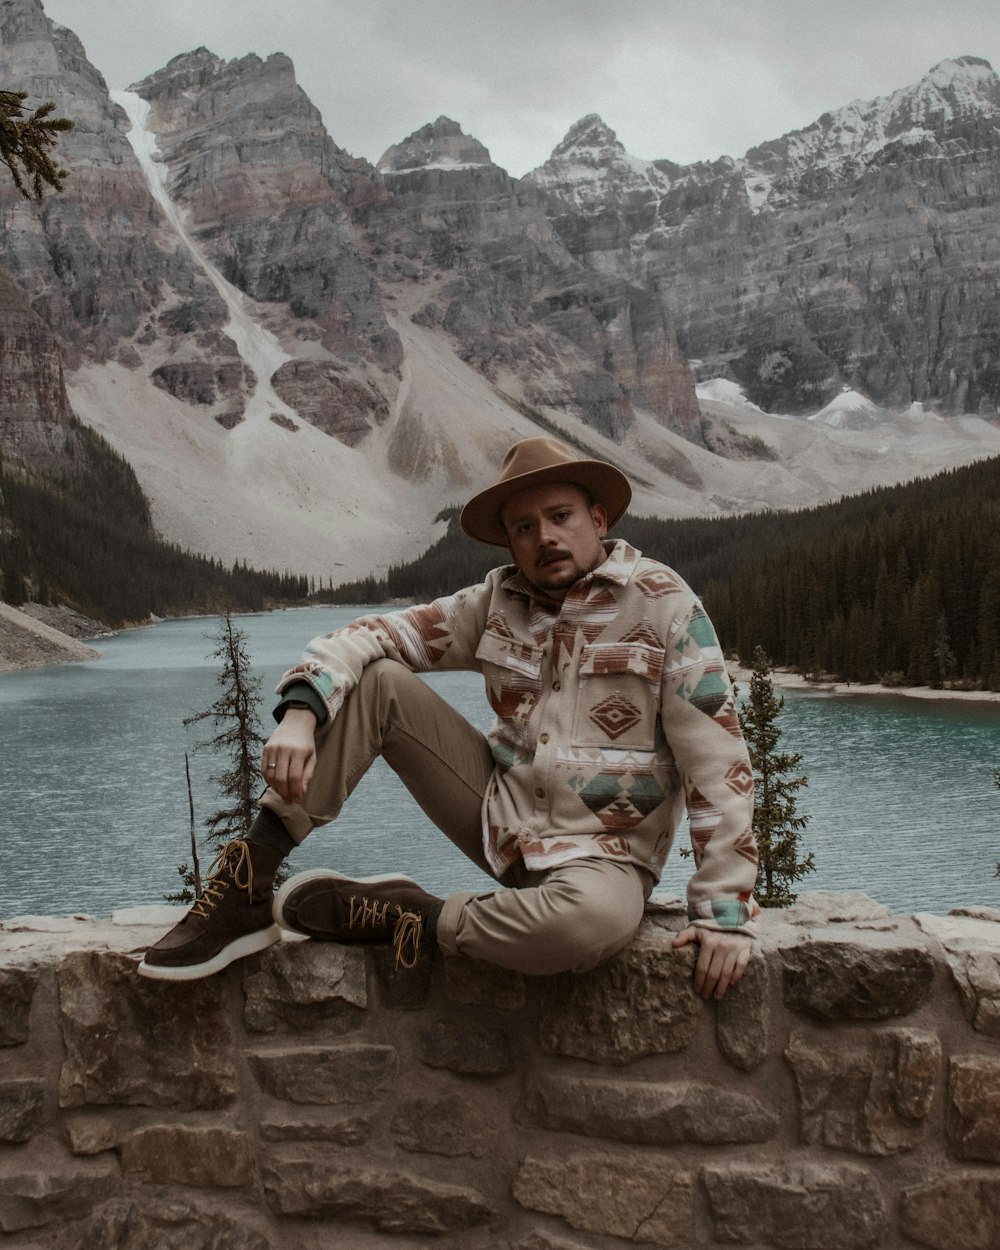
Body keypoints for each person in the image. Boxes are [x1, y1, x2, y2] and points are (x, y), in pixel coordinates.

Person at [140, 437, 759, 998]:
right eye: (524, 527)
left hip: (606, 858)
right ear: (510, 543)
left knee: (590, 928)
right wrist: (301, 711)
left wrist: (724, 915)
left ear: (598, 520)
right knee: (381, 679)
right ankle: (249, 884)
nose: (544, 537)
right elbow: (374, 634)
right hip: (499, 820)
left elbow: (718, 762)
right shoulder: (496, 602)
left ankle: (409, 915)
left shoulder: (666, 606)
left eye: (560, 517)